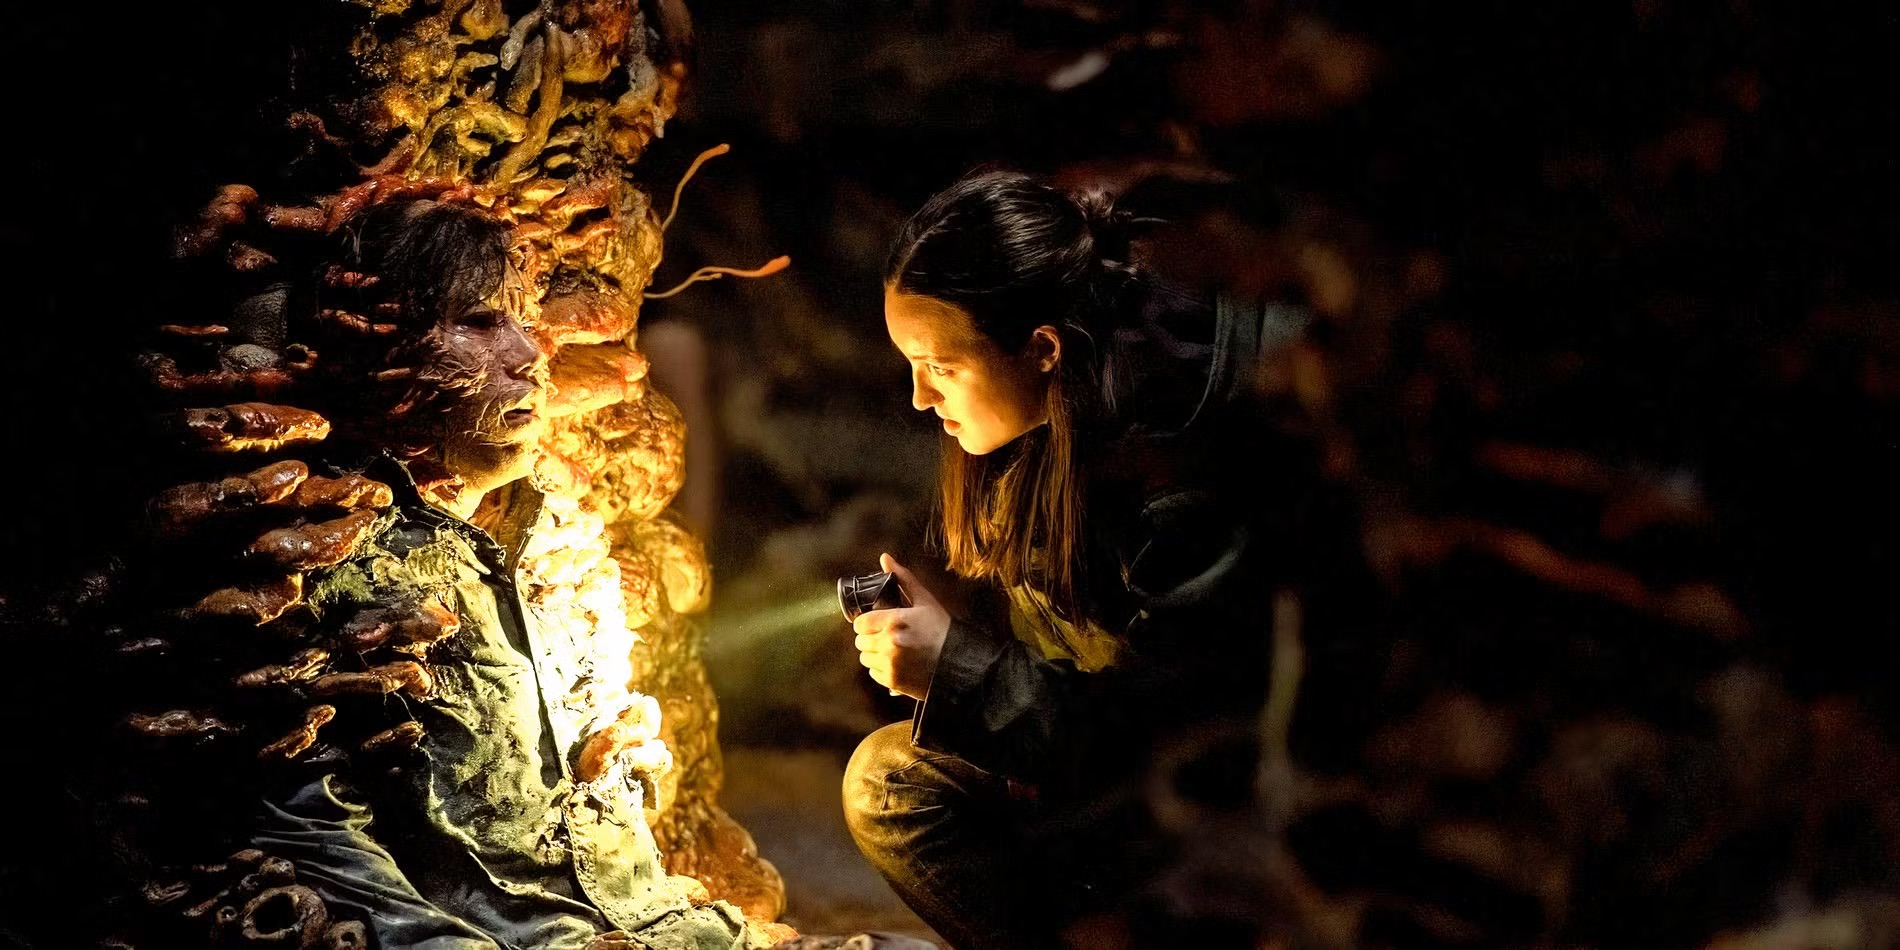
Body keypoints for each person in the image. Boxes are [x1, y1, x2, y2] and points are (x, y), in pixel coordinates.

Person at [841, 168, 1355, 948]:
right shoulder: (1047, 417)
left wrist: (962, 674)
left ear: (1041, 348)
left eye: (941, 368)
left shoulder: (1177, 481)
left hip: (1204, 819)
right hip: (1102, 773)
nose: (919, 397)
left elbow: (1159, 741)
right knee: (890, 780)